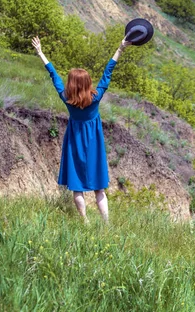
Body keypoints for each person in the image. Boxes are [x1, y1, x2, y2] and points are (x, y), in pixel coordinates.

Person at [32, 36, 131, 223]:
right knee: (99, 189)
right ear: (87, 84)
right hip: (93, 144)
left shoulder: (66, 98)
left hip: (75, 142)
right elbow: (107, 73)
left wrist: (40, 53)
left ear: (71, 84)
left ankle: (85, 222)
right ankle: (106, 224)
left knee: (78, 187)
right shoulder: (95, 98)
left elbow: (54, 76)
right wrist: (120, 49)